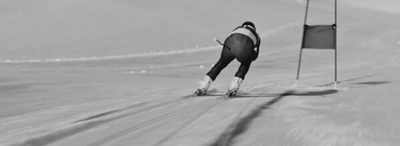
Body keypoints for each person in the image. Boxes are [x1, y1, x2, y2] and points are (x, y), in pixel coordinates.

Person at [194, 21, 261, 97]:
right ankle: (234, 87)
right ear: (254, 29)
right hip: (245, 48)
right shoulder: (256, 35)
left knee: (221, 63)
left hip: (229, 45)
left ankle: (203, 85)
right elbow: (255, 56)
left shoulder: (237, 28)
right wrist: (249, 56)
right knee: (246, 64)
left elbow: (229, 38)